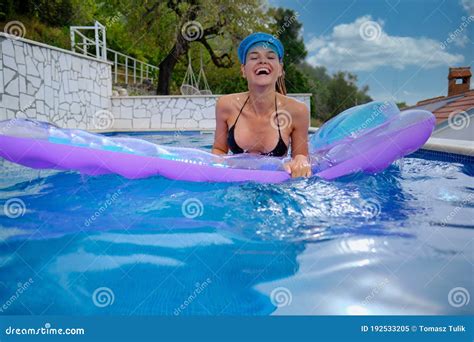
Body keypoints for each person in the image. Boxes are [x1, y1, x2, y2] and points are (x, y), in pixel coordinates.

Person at [211, 32, 311, 178]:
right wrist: (220, 166)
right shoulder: (226, 106)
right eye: (254, 57)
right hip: (237, 187)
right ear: (243, 70)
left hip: (275, 189)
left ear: (280, 70)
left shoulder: (297, 111)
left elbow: (300, 156)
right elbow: (219, 150)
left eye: (270, 57)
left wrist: (301, 160)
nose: (263, 61)